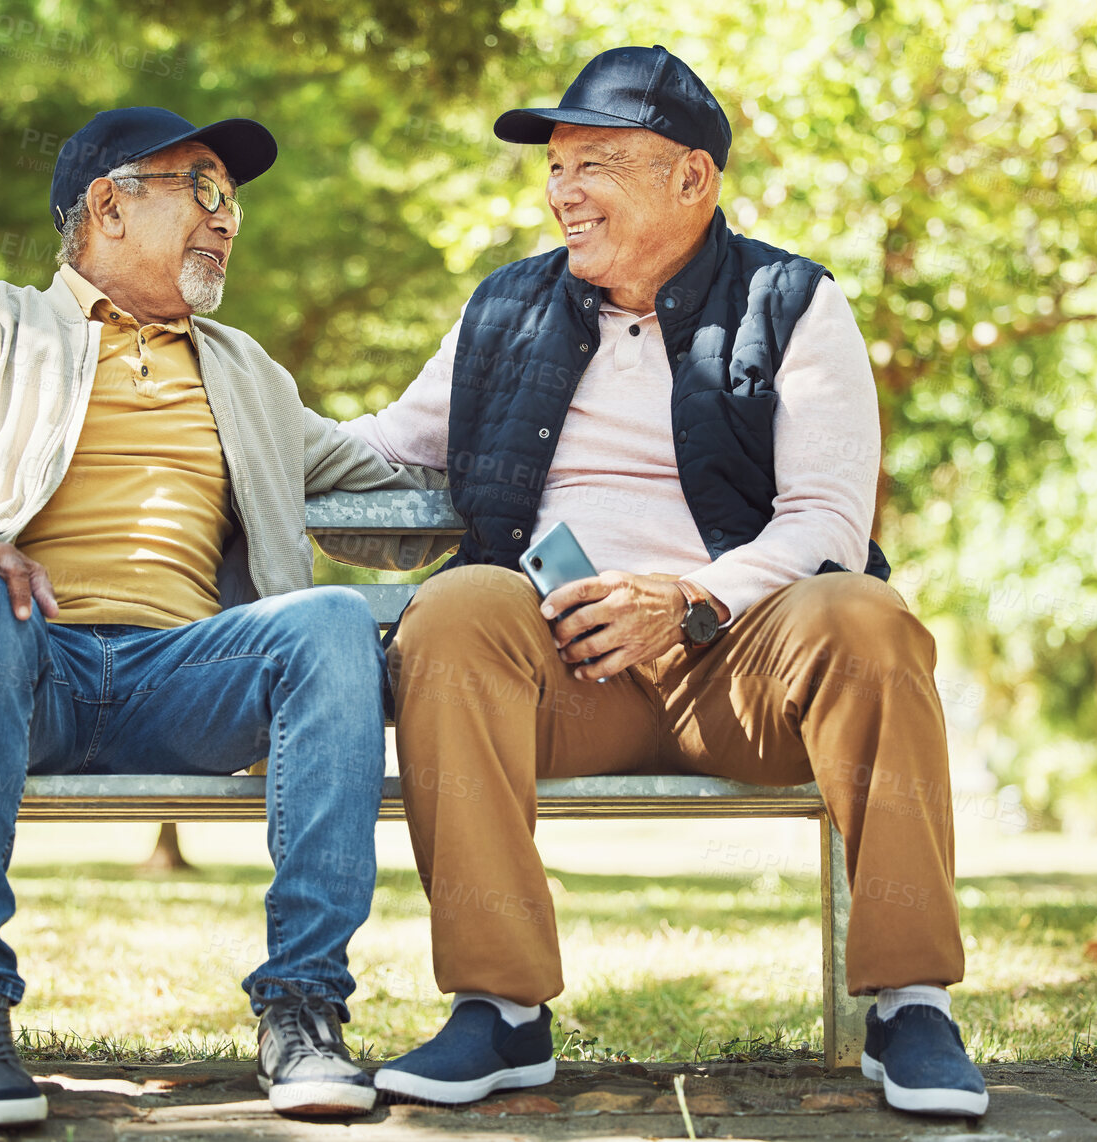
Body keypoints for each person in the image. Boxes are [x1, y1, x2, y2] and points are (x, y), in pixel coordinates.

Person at [339, 46, 988, 1118]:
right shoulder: (503, 309)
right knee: (453, 609)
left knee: (866, 615)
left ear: (692, 179)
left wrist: (684, 600)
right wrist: (213, 417)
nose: (561, 192)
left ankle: (908, 1003)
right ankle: (497, 1011)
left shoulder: (793, 300)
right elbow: (378, 446)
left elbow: (825, 522)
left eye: (593, 162)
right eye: (553, 168)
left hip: (737, 669)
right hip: (559, 671)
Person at [0, 106, 441, 1127]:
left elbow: (393, 498)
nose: (227, 218)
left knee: (334, 619)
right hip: (18, 663)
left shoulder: (247, 371)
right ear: (107, 206)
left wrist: (522, 396)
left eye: (232, 200)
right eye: (201, 188)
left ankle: (303, 1007)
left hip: (182, 677)